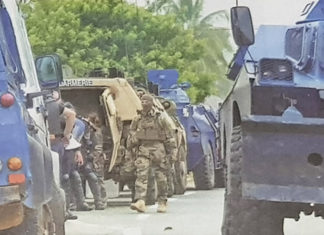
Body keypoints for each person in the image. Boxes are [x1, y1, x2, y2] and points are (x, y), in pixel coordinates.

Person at [127, 94, 177, 213]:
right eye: (142, 101)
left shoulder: (161, 117)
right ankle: (140, 200)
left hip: (158, 149)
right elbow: (131, 133)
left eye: (146, 101)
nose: (143, 103)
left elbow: (170, 135)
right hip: (143, 148)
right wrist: (132, 145)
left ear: (151, 103)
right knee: (141, 175)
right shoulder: (138, 119)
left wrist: (172, 152)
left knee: (161, 177)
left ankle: (162, 201)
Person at [46, 90, 79, 220]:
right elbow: (71, 114)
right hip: (55, 143)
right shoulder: (53, 104)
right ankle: (62, 210)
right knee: (59, 178)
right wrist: (67, 134)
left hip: (42, 142)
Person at [73, 116, 106, 210]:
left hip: (84, 159)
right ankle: (76, 203)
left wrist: (91, 157)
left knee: (93, 177)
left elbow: (92, 145)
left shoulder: (85, 130)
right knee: (75, 178)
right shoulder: (68, 127)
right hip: (71, 159)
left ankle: (98, 202)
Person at [87, 112, 108, 203]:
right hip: (96, 157)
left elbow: (98, 147)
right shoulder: (96, 131)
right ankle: (100, 199)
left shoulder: (96, 132)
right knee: (97, 178)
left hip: (97, 157)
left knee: (99, 178)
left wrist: (95, 158)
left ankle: (102, 198)